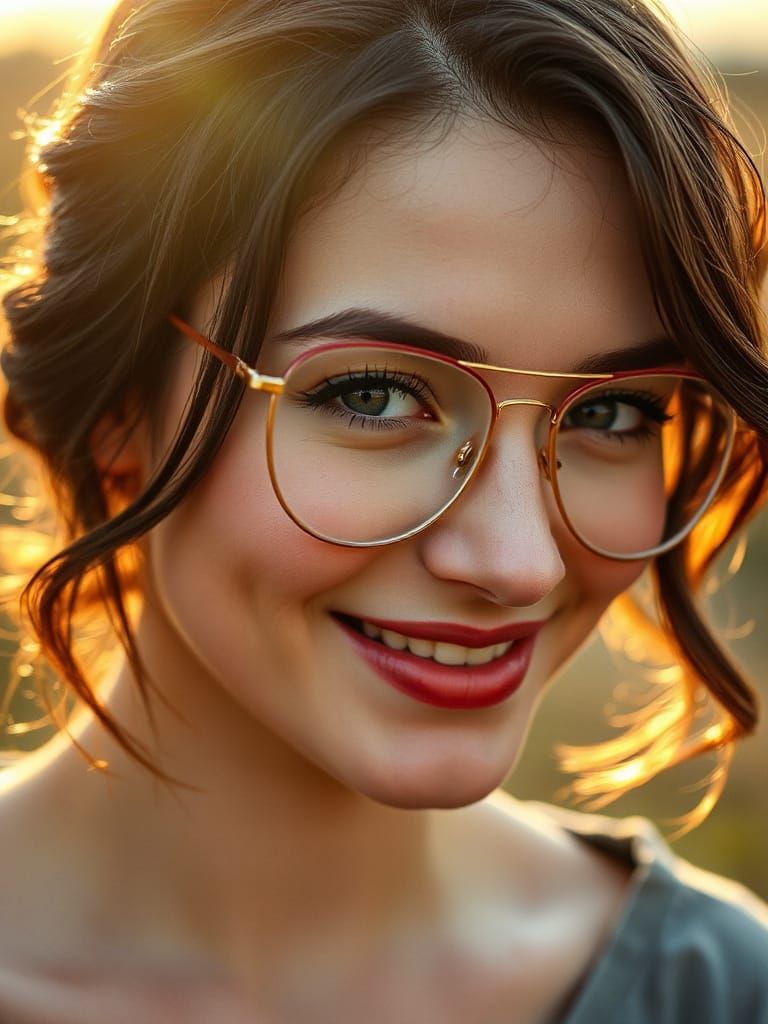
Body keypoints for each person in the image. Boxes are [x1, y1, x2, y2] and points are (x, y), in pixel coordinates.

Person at [0, 0, 767, 1020]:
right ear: (117, 406)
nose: (518, 561)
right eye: (372, 394)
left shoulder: (719, 994)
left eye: (616, 411)